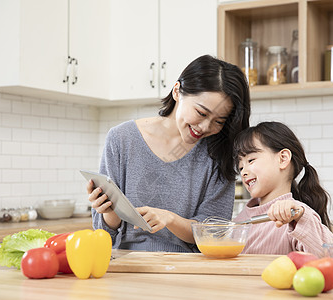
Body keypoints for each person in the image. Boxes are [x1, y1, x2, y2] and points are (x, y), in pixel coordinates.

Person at [87, 55, 251, 252]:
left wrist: (170, 219)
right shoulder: (121, 139)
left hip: (187, 270)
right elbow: (104, 234)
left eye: (219, 121)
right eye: (201, 113)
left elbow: (214, 234)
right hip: (128, 265)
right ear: (177, 91)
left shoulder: (219, 154)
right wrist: (109, 211)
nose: (205, 127)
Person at [233, 121, 333, 257]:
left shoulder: (296, 215)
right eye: (240, 167)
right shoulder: (242, 218)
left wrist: (300, 216)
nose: (243, 172)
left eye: (251, 160)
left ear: (282, 159)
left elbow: (330, 257)